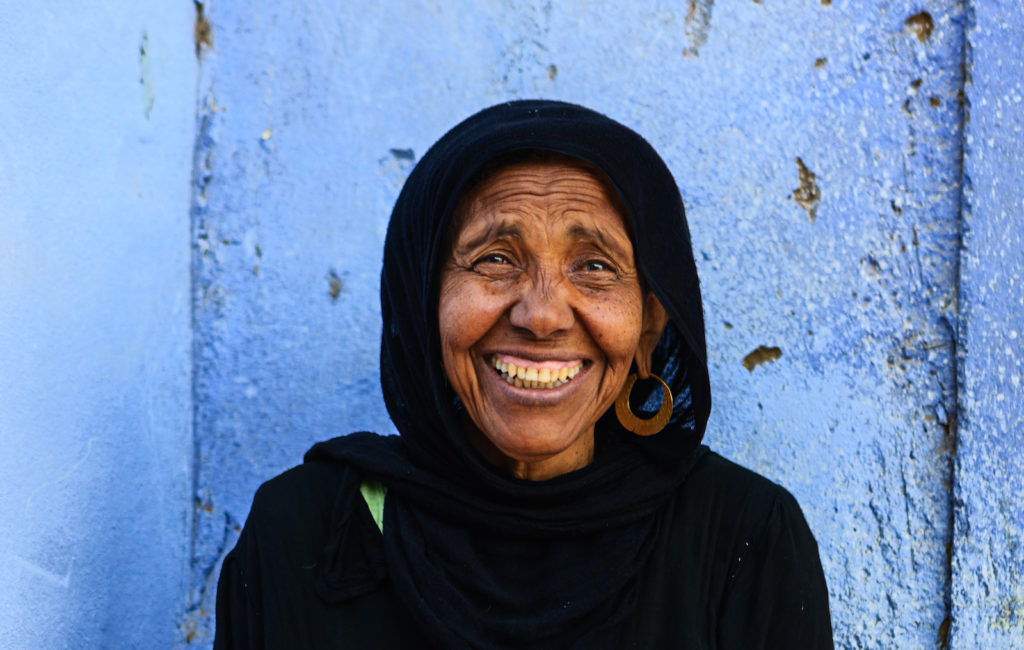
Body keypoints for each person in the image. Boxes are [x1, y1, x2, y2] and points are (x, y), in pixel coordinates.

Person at [214, 100, 833, 649]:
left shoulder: (743, 539)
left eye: (593, 266)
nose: (541, 315)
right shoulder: (304, 534)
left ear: (647, 330)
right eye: (495, 259)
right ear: (422, 305)